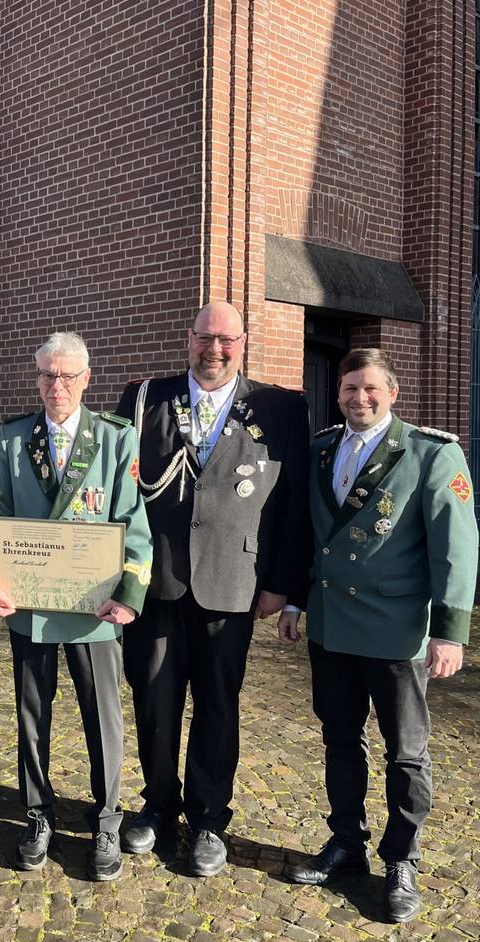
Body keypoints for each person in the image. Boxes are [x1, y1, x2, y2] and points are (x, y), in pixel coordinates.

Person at [279, 348, 477, 923]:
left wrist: (449, 632)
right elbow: (307, 535)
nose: (358, 399)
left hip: (397, 632)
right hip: (332, 627)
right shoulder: (319, 450)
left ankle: (402, 860)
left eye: (370, 389)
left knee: (406, 753)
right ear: (336, 393)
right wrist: (295, 600)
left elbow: (455, 548)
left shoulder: (430, 453)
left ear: (392, 392)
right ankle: (346, 844)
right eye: (348, 389)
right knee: (340, 740)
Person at [114, 301, 309, 875]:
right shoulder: (145, 398)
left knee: (217, 707)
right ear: (188, 338)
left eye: (226, 340)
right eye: (204, 338)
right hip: (155, 584)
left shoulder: (280, 408)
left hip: (234, 582)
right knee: (154, 701)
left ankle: (207, 819)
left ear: (242, 343)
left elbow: (292, 504)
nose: (214, 350)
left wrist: (284, 585)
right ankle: (157, 806)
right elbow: (116, 493)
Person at [0, 331, 152, 882]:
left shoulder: (116, 439)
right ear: (37, 379)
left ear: (86, 380)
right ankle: (38, 813)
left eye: (68, 376)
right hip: (29, 604)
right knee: (32, 715)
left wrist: (130, 593)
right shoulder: (11, 440)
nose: (57, 386)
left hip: (93, 608)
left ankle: (105, 820)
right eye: (48, 376)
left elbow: (133, 521)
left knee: (103, 719)